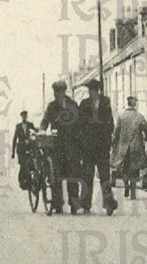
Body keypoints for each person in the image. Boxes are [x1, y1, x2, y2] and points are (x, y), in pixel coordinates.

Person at [40, 80, 81, 214]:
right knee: (56, 175)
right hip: (57, 146)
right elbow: (45, 121)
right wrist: (42, 129)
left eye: (60, 91)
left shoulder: (73, 105)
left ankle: (74, 204)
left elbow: (79, 123)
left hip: (71, 144)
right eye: (56, 92)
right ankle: (58, 204)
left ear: (64, 91)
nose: (58, 94)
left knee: (73, 175)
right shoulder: (52, 106)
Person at [77, 78, 117, 214]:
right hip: (87, 147)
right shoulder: (83, 104)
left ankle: (108, 203)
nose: (92, 92)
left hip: (102, 146)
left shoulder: (106, 102)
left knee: (105, 175)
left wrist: (107, 138)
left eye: (94, 90)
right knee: (87, 175)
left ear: (98, 90)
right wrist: (82, 142)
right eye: (90, 90)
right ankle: (85, 204)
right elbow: (80, 125)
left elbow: (110, 122)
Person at [111, 95, 147, 200]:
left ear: (128, 103)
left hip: (123, 148)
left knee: (123, 169)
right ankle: (133, 193)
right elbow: (146, 130)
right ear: (135, 104)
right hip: (136, 147)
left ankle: (126, 185)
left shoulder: (121, 116)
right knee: (134, 170)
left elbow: (116, 132)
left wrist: (113, 143)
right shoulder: (139, 117)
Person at [11, 109, 37, 190]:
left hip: (29, 147)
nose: (24, 117)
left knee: (31, 164)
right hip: (21, 149)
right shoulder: (18, 126)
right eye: (23, 115)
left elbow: (35, 131)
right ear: (21, 116)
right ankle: (22, 182)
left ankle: (30, 181)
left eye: (25, 115)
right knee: (23, 165)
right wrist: (13, 152)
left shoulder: (30, 124)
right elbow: (15, 139)